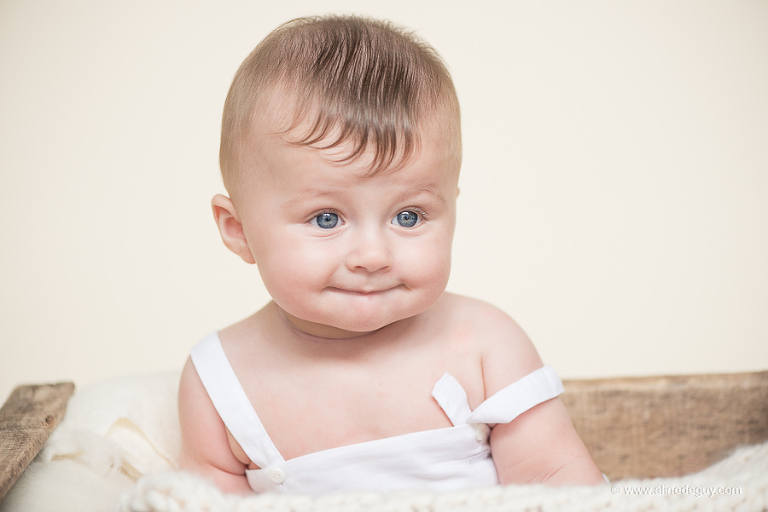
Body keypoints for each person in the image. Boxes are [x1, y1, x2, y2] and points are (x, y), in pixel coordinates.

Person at [177, 14, 605, 495]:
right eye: (326, 218)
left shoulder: (484, 344)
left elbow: (560, 485)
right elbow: (199, 503)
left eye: (408, 217)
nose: (372, 255)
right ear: (239, 231)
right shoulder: (220, 377)